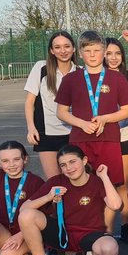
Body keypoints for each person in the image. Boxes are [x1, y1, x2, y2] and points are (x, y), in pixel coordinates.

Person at [55, 31, 128, 235]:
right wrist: (81, 123)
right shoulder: (71, 79)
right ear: (80, 53)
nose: (93, 55)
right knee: (80, 187)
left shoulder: (116, 78)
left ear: (104, 53)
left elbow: (127, 110)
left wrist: (105, 118)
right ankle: (82, 235)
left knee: (110, 187)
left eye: (97, 50)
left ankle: (105, 234)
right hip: (80, 141)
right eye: (88, 50)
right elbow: (61, 112)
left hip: (108, 140)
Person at [15, 145, 123, 255]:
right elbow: (24, 209)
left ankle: (90, 254)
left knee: (110, 251)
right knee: (27, 215)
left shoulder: (97, 181)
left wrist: (104, 177)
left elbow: (115, 205)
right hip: (62, 234)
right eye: (63, 165)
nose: (69, 168)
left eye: (73, 162)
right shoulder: (56, 182)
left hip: (90, 235)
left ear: (84, 161)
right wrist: (48, 196)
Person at [104, 36, 128, 244]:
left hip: (125, 136)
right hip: (101, 136)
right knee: (102, 184)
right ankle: (105, 230)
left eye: (117, 53)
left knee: (123, 185)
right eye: (108, 53)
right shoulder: (94, 77)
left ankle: (125, 225)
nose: (113, 57)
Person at [23, 30, 76, 178]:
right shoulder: (41, 68)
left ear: (74, 48)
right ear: (51, 51)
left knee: (74, 179)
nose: (63, 51)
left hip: (74, 134)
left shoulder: (80, 72)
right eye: (57, 47)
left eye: (67, 46)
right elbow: (29, 101)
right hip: (47, 134)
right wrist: (31, 127)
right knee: (54, 182)